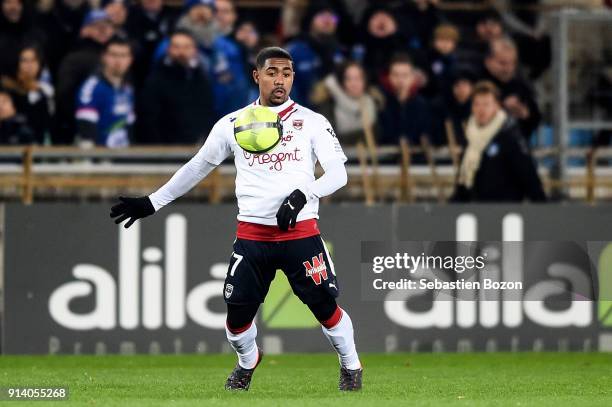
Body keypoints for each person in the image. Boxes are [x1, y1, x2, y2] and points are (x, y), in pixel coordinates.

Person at [109, 46, 363, 391]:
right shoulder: (232, 123)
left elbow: (339, 174)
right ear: (256, 76)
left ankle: (351, 367)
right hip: (253, 237)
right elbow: (198, 165)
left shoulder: (312, 122)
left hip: (300, 234)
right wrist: (153, 202)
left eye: (287, 73)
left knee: (324, 307)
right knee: (236, 322)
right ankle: (248, 361)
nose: (280, 80)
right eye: (272, 72)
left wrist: (306, 194)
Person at [451, 81, 546, 202]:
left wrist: (542, 207)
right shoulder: (470, 135)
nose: (481, 110)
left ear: (497, 106)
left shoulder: (510, 134)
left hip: (505, 208)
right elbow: (463, 180)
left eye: (486, 104)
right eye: (477, 104)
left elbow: (528, 175)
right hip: (476, 208)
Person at [137, 29, 214, 144]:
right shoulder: (156, 79)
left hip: (197, 147)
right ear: (168, 49)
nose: (181, 52)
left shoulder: (201, 77)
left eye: (187, 47)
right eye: (176, 47)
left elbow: (207, 112)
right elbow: (149, 119)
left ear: (194, 50)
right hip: (166, 151)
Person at [54, 9, 115, 145]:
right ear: (84, 30)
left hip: (113, 129)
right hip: (81, 129)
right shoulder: (75, 59)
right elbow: (63, 95)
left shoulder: (120, 55)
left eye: (107, 26)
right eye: (97, 26)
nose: (103, 30)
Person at [75, 37, 134, 148]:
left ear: (130, 59)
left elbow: (129, 127)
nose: (118, 61)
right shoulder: (91, 88)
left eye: (123, 56)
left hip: (124, 157)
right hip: (102, 160)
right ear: (104, 57)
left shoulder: (127, 88)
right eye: (113, 55)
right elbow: (87, 134)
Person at [286, 3, 346, 106]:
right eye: (322, 15)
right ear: (310, 20)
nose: (328, 20)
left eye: (333, 17)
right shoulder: (294, 51)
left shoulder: (340, 52)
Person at [481, 37, 541, 141]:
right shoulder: (476, 84)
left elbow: (536, 118)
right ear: (488, 62)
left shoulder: (522, 86)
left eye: (512, 63)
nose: (508, 68)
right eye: (502, 63)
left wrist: (525, 113)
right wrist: (502, 107)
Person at [310, 60, 381, 145]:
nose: (354, 84)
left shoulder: (375, 103)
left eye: (358, 78)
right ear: (341, 83)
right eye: (348, 79)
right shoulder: (328, 108)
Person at [1, 44, 54, 144]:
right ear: (18, 63)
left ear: (40, 64)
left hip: (41, 144)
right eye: (24, 60)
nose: (29, 65)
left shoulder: (47, 90)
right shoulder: (7, 88)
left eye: (33, 60)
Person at [378, 53, 432, 147]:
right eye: (396, 75)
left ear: (412, 78)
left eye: (405, 75)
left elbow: (426, 134)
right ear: (389, 77)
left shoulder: (422, 105)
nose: (400, 80)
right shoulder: (381, 104)